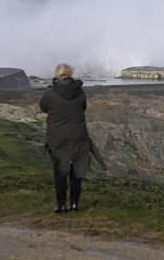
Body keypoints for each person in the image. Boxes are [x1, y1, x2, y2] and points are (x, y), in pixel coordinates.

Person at [40, 63, 107, 214]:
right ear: (71, 74)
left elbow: (43, 107)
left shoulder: (50, 93)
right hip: (78, 136)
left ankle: (62, 205)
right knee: (77, 172)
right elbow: (83, 107)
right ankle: (75, 204)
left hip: (58, 138)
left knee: (60, 172)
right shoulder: (79, 91)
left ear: (56, 74)